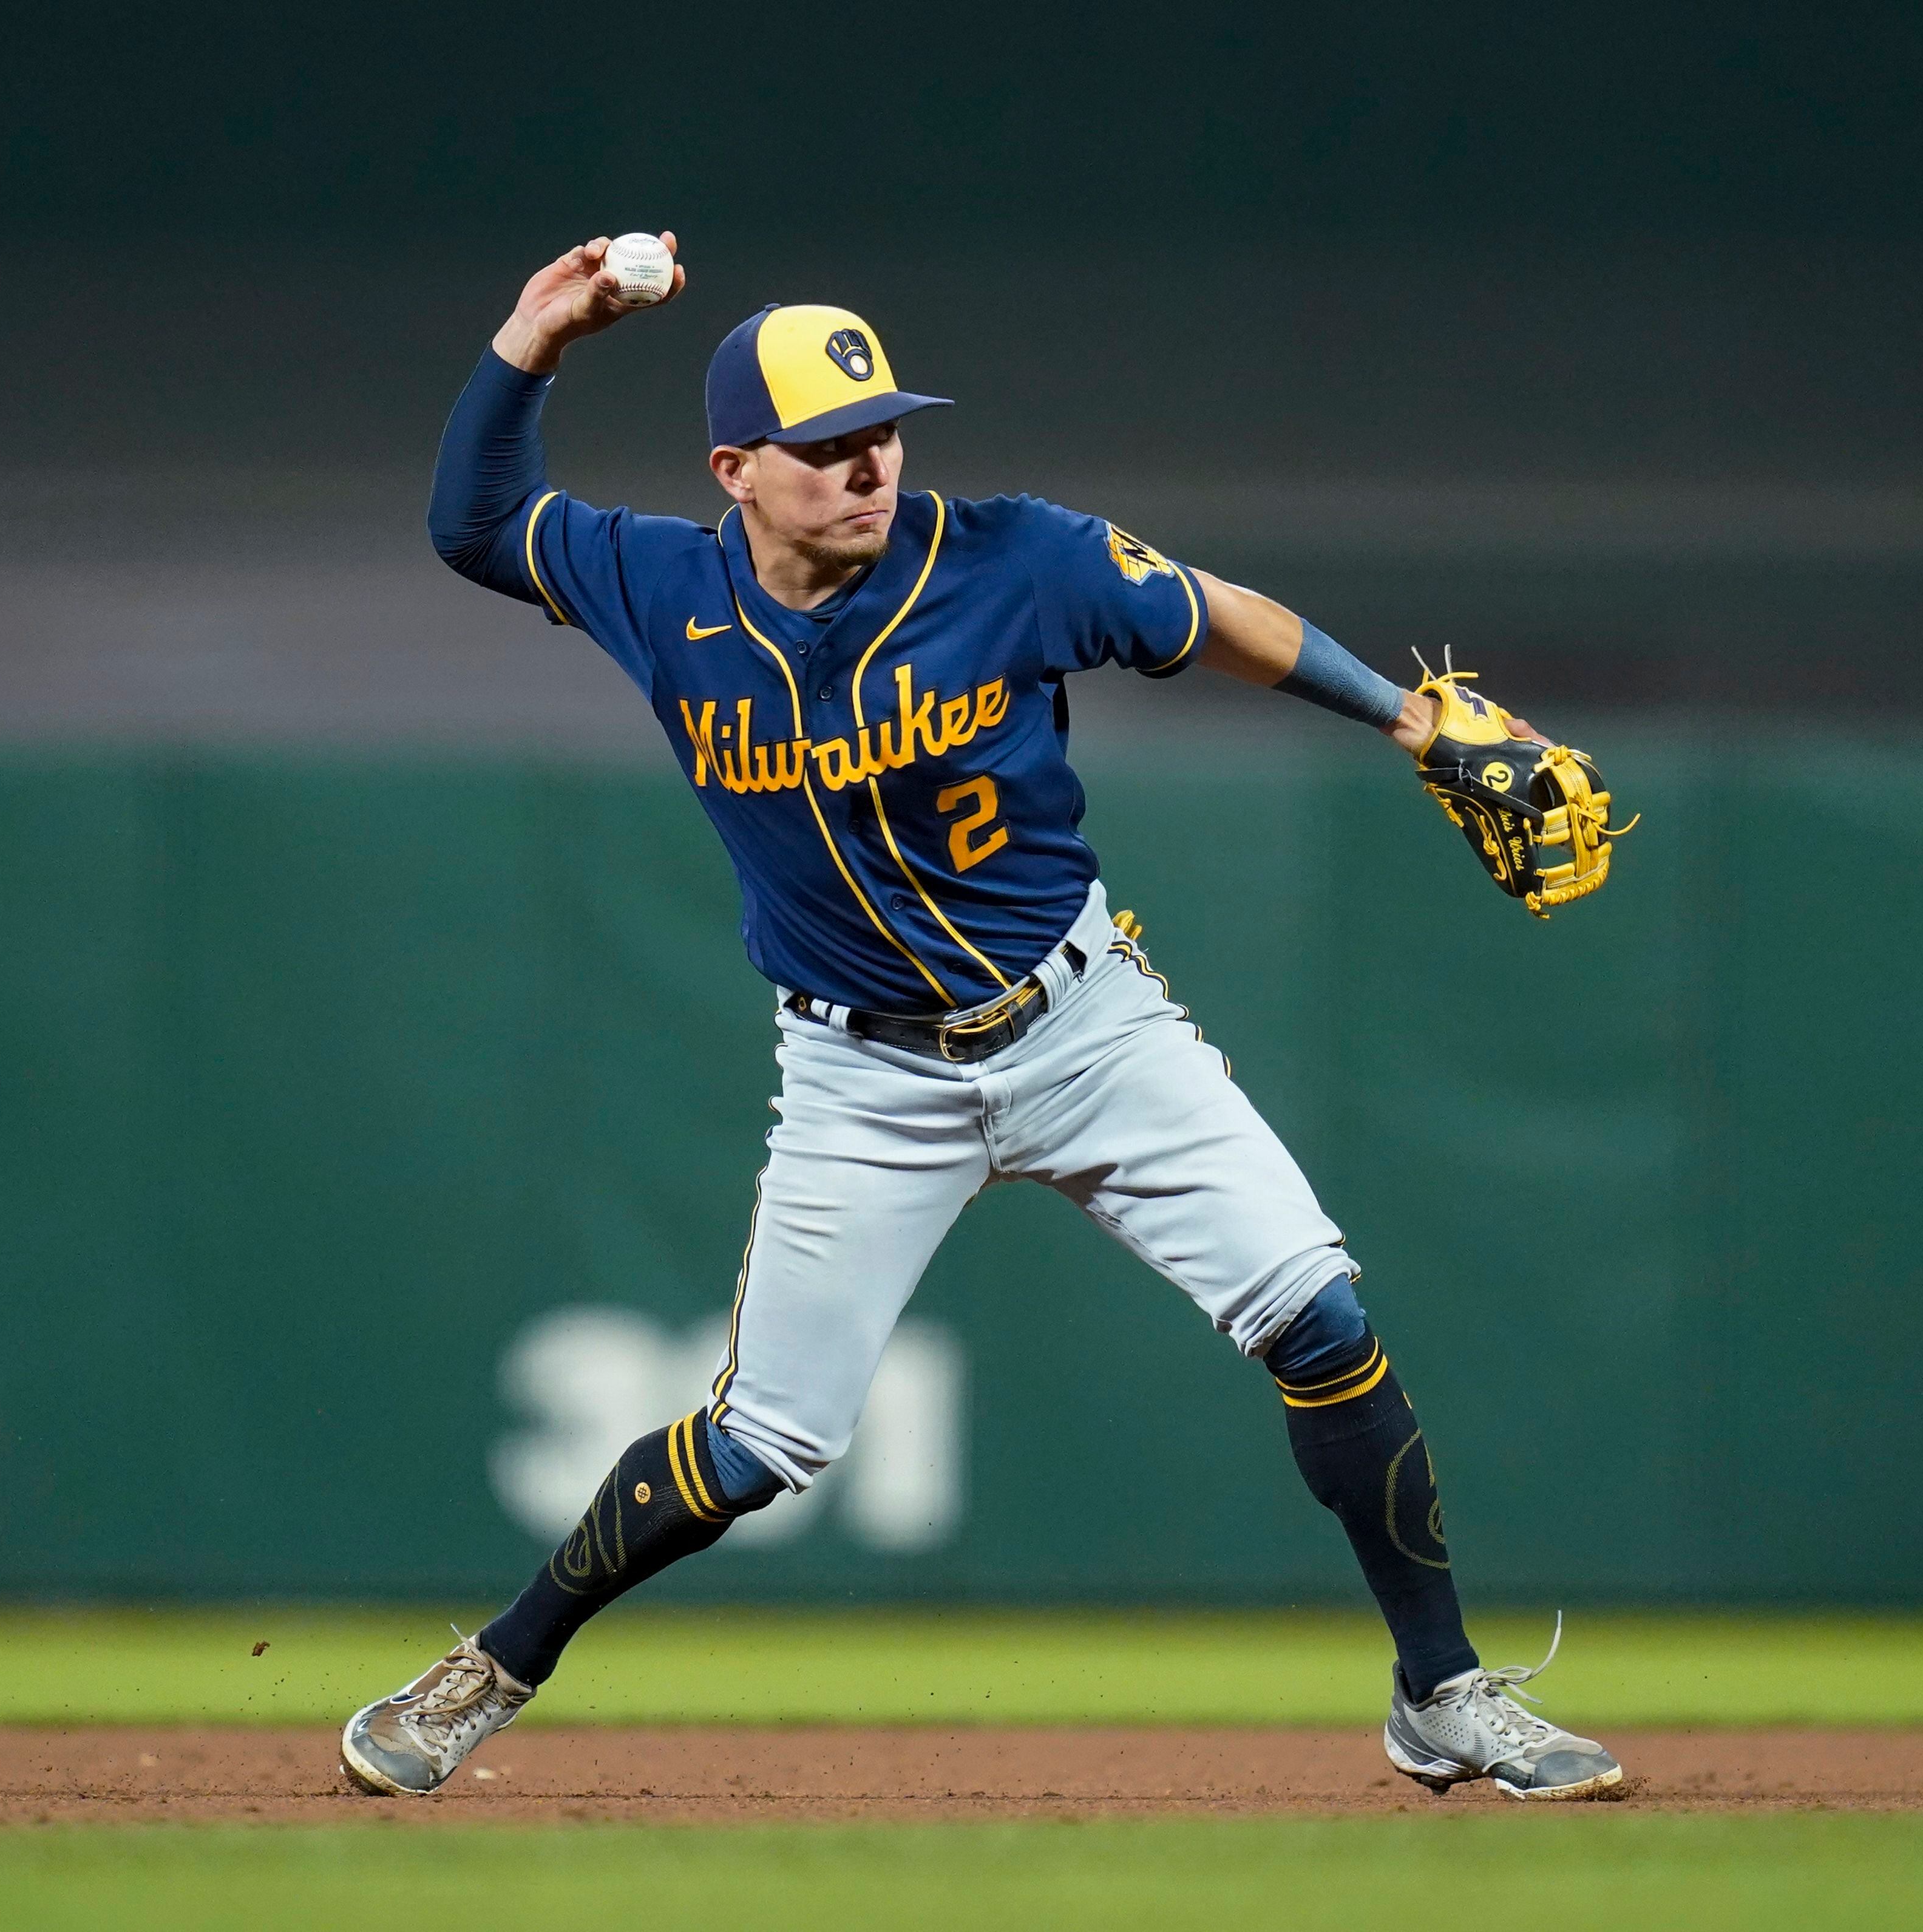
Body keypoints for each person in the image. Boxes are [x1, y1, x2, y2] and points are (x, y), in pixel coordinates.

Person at [338, 234, 1621, 1803]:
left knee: (1323, 1325)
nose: (867, 466)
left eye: (881, 431)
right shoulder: (656, 585)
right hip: (861, 1078)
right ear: (735, 468)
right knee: (752, 1449)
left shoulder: (1015, 558)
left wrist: (1405, 714)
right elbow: (469, 525)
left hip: (1088, 1032)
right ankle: (495, 1665)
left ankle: (1443, 1694)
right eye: (823, 448)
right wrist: (536, 331)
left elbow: (1211, 611)